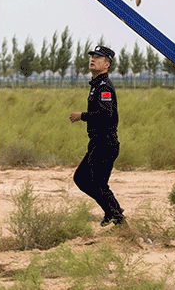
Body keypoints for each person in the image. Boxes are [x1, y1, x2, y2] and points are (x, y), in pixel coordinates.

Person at [69, 44, 125, 226]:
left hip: (105, 143)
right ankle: (113, 214)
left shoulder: (104, 86)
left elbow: (106, 114)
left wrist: (82, 116)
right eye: (92, 56)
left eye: (98, 58)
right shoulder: (97, 85)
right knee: (91, 181)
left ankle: (118, 218)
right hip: (98, 143)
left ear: (107, 64)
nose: (93, 59)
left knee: (85, 179)